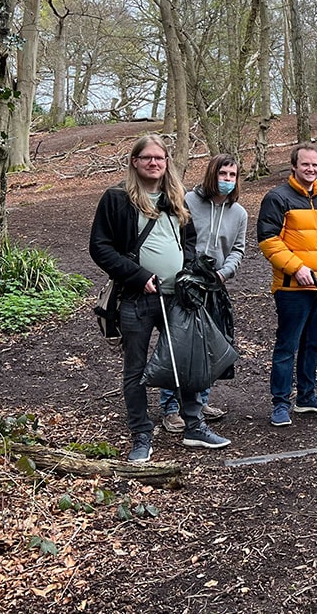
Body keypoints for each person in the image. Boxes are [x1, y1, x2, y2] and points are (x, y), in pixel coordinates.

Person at [90, 135, 231, 462]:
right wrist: (138, 276)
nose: (154, 163)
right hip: (135, 299)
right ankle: (141, 433)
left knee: (187, 359)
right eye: (147, 158)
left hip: (178, 297)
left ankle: (194, 425)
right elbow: (100, 247)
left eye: (160, 158)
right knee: (136, 368)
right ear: (135, 162)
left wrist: (189, 272)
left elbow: (190, 240)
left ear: (167, 163)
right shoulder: (117, 199)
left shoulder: (176, 197)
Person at [158, 154, 248, 433]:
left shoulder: (239, 213)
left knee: (209, 344)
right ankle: (172, 407)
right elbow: (174, 236)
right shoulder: (188, 201)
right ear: (212, 174)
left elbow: (238, 249)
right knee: (178, 344)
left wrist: (224, 273)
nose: (227, 180)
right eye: (223, 174)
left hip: (214, 285)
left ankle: (200, 400)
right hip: (184, 283)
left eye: (232, 176)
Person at [258, 144, 317, 427]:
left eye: (315, 165)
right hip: (292, 288)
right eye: (305, 164)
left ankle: (307, 396)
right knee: (287, 345)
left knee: (313, 344)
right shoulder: (277, 198)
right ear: (293, 166)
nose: (311, 169)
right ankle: (280, 403)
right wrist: (297, 268)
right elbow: (269, 241)